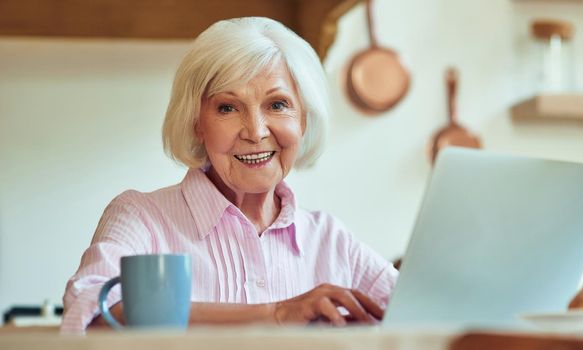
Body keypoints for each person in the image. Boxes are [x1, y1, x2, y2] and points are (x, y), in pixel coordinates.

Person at [61, 17, 398, 333]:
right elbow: (87, 313)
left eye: (277, 104)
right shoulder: (142, 218)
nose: (255, 131)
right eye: (227, 108)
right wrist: (274, 314)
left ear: (303, 120)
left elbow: (430, 312)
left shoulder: (330, 240)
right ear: (197, 124)